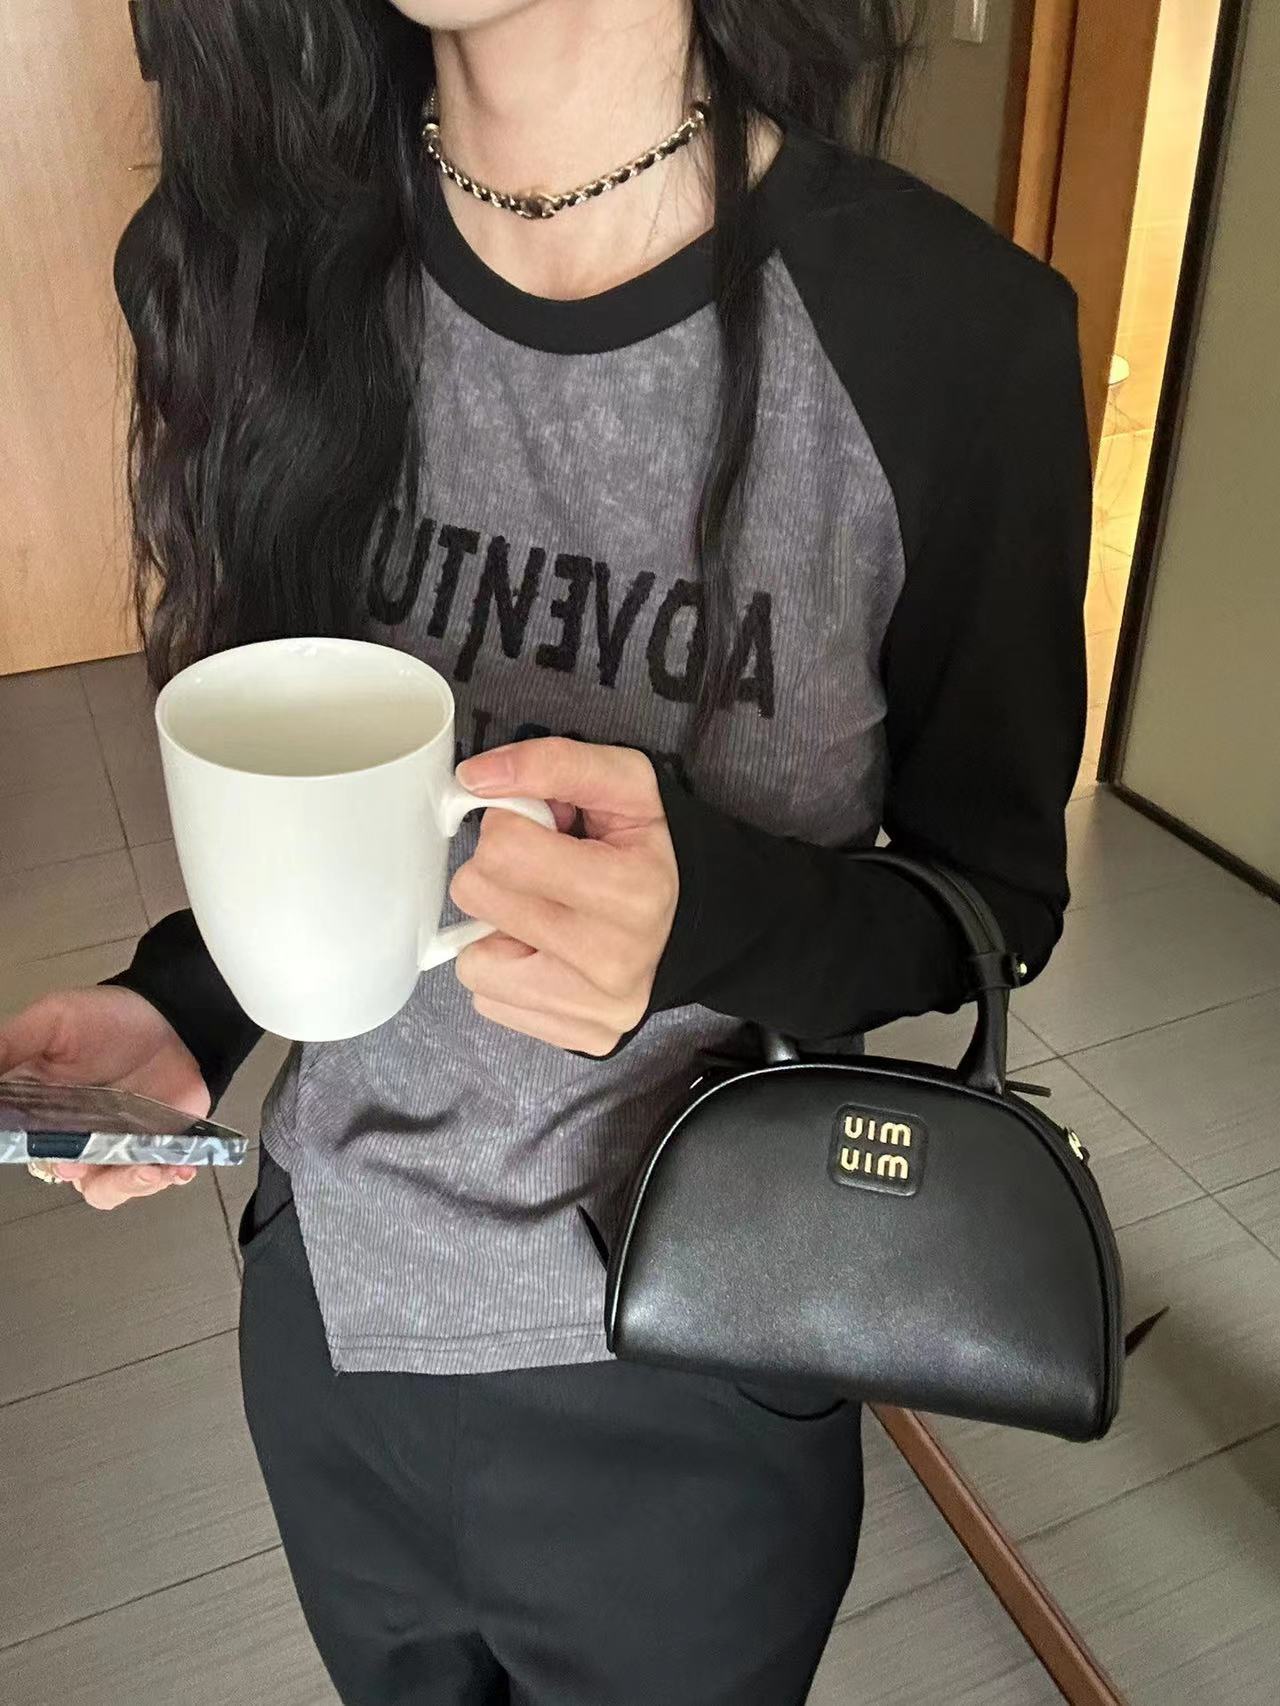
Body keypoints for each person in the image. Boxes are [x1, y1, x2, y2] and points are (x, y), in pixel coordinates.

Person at [0, 1, 1092, 1700]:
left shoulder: (953, 336)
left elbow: (990, 902)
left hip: (696, 1375)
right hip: (329, 1321)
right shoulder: (253, 276)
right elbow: (323, 803)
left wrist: (711, 916)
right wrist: (187, 1004)